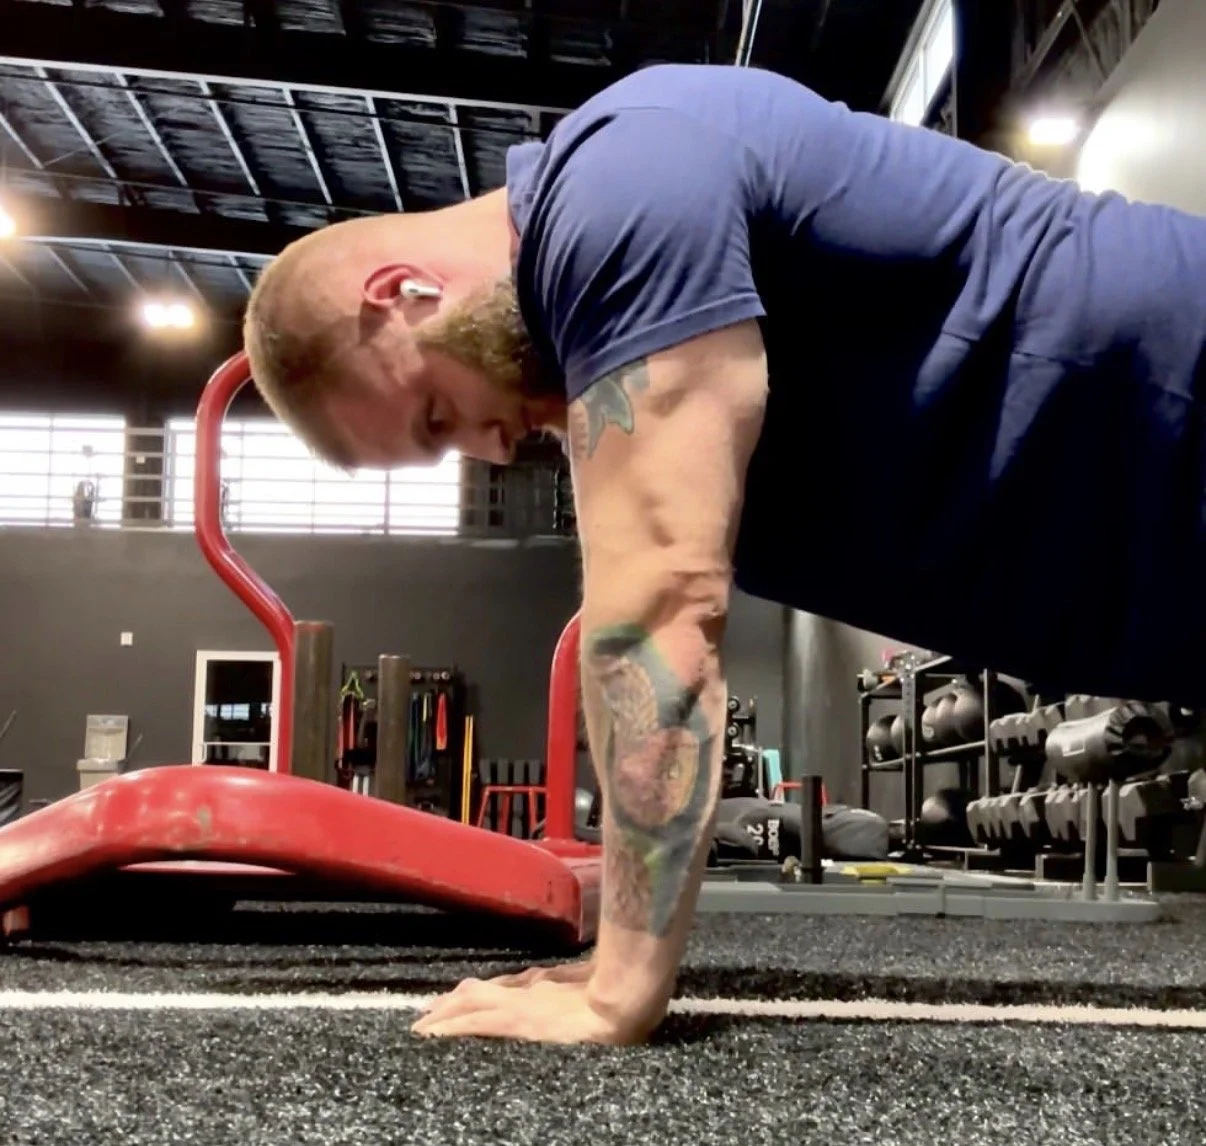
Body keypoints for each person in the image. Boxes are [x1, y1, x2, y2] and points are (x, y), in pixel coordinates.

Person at [242, 63, 1206, 1045]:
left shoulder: (619, 188)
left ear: (398, 293)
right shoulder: (608, 309)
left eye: (438, 415)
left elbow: (658, 614)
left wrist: (615, 989)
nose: (487, 447)